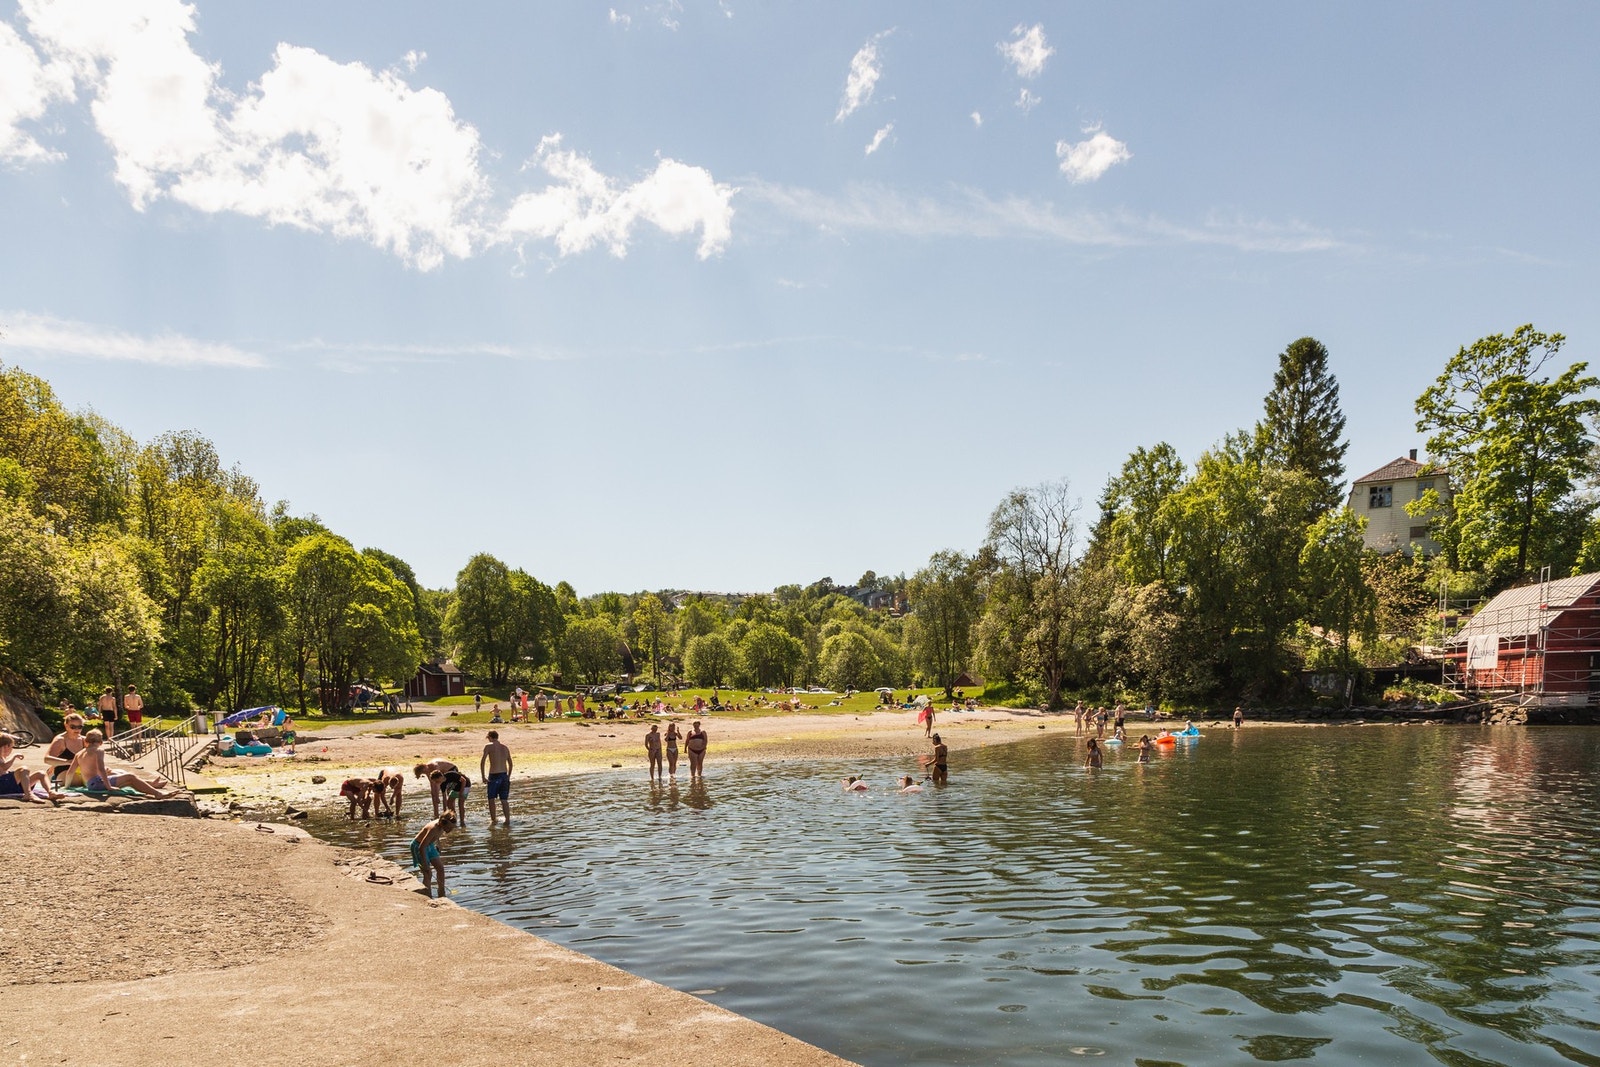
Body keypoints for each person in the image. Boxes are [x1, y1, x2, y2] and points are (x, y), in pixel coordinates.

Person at [65, 729, 178, 797]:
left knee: (125, 777)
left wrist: (67, 787)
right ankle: (158, 794)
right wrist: (109, 787)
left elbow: (70, 772)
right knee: (130, 777)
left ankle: (150, 785)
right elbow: (101, 769)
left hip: (90, 784)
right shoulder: (98, 750)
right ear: (100, 742)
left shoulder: (79, 753)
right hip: (98, 783)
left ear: (85, 741)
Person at [0, 733, 65, 802]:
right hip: (2, 786)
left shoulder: (2, 757)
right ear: (5, 747)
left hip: (10, 785)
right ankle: (28, 794)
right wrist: (14, 756)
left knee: (41, 773)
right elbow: (4, 767)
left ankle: (50, 792)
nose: (11, 750)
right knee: (23, 769)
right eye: (11, 747)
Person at [410, 810, 456, 898]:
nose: (450, 830)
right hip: (418, 846)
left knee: (440, 868)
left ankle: (441, 892)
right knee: (428, 873)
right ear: (443, 823)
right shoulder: (433, 828)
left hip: (429, 845)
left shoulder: (442, 826)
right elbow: (421, 847)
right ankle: (428, 896)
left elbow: (436, 837)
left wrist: (438, 845)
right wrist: (425, 864)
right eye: (449, 828)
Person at [44, 712, 88, 785]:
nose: (76, 729)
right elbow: (47, 759)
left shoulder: (84, 740)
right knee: (77, 781)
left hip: (82, 770)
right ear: (66, 726)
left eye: (80, 727)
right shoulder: (60, 740)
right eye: (73, 727)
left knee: (107, 774)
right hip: (64, 771)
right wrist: (69, 762)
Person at [480, 731, 512, 824]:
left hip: (494, 775)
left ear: (489, 737)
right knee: (504, 800)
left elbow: (482, 762)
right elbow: (510, 763)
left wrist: (483, 776)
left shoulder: (488, 746)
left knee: (491, 799)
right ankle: (507, 820)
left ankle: (493, 820)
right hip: (504, 775)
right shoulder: (505, 747)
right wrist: (508, 776)